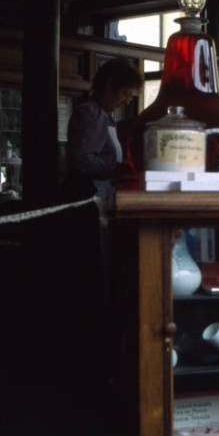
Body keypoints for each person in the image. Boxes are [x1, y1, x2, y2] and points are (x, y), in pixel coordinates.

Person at [65, 57, 144, 304]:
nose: (126, 101)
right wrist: (115, 169)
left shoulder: (104, 116)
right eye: (124, 94)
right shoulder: (91, 113)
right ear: (108, 86)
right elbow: (81, 158)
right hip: (86, 199)